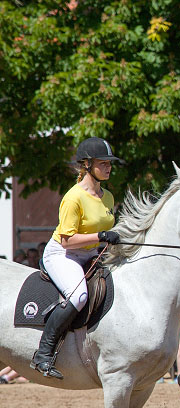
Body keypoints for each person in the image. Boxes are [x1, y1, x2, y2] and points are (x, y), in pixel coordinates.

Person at [30, 137, 122, 379]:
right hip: (64, 254)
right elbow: (66, 240)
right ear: (88, 165)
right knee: (79, 296)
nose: (109, 167)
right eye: (104, 163)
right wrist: (101, 235)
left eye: (110, 163)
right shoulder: (74, 197)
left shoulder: (108, 197)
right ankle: (44, 353)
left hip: (91, 253)